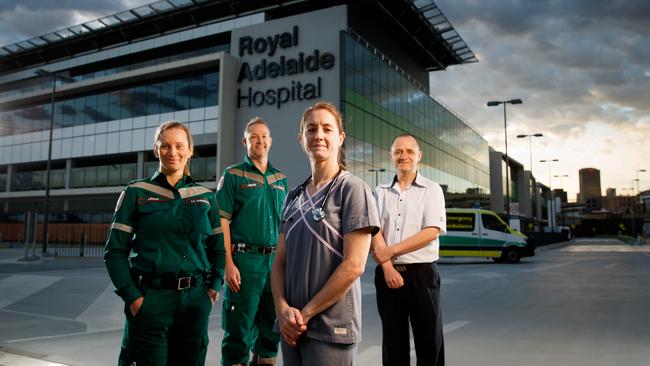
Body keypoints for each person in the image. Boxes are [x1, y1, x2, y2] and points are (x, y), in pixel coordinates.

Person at [104, 121, 225, 366]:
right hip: (151, 302)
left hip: (195, 302)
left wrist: (212, 289)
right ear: (155, 149)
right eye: (166, 146)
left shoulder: (205, 197)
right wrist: (134, 299)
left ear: (190, 150)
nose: (173, 152)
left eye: (180, 146)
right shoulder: (136, 192)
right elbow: (115, 252)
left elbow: (218, 250)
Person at [271, 101, 380, 366]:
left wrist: (305, 315)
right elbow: (279, 263)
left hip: (331, 327)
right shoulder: (292, 197)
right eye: (311, 129)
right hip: (292, 326)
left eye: (327, 129)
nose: (318, 135)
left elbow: (354, 265)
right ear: (302, 139)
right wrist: (282, 309)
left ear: (340, 138)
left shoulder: (353, 190)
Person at [371, 133, 447, 366]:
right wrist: (387, 267)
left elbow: (432, 230)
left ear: (419, 156)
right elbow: (374, 231)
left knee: (429, 342)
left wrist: (390, 252)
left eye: (410, 151)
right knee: (393, 343)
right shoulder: (380, 191)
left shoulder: (431, 189)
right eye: (398, 152)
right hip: (387, 275)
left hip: (421, 275)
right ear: (391, 156)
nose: (404, 156)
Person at [217, 117, 288, 366]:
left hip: (275, 263)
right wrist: (228, 263)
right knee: (239, 330)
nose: (259, 140)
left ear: (271, 141)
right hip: (244, 262)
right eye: (254, 136)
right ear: (244, 141)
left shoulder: (280, 179)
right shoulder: (233, 175)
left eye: (264, 136)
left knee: (271, 329)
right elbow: (221, 222)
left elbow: (285, 225)